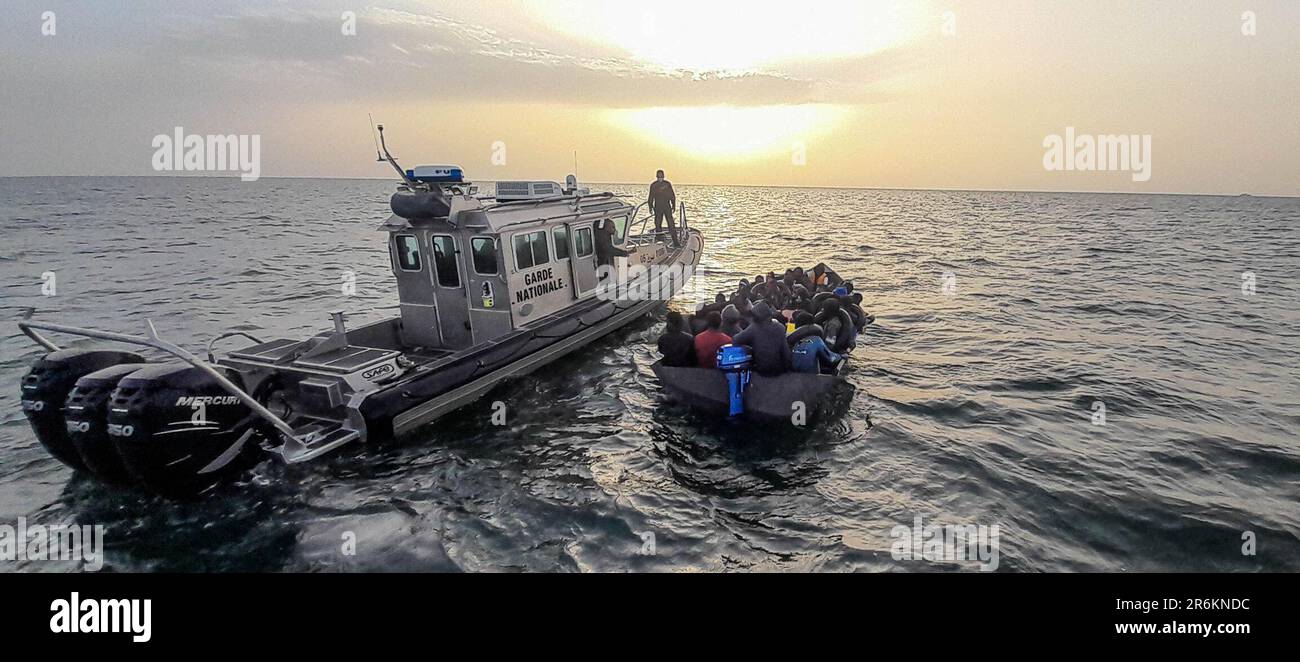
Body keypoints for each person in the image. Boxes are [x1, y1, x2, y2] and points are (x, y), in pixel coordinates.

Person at [731, 301, 791, 376]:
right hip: (780, 369)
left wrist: (750, 346)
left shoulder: (754, 328)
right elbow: (786, 352)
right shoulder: (780, 327)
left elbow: (735, 340)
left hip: (762, 370)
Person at [647, 169, 679, 247]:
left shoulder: (667, 184)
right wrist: (650, 206)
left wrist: (673, 205)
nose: (660, 178)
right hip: (658, 206)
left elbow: (672, 195)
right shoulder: (653, 185)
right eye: (659, 177)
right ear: (657, 177)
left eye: (661, 176)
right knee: (658, 224)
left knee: (671, 224)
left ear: (663, 176)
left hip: (666, 206)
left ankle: (675, 242)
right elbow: (651, 197)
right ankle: (659, 240)